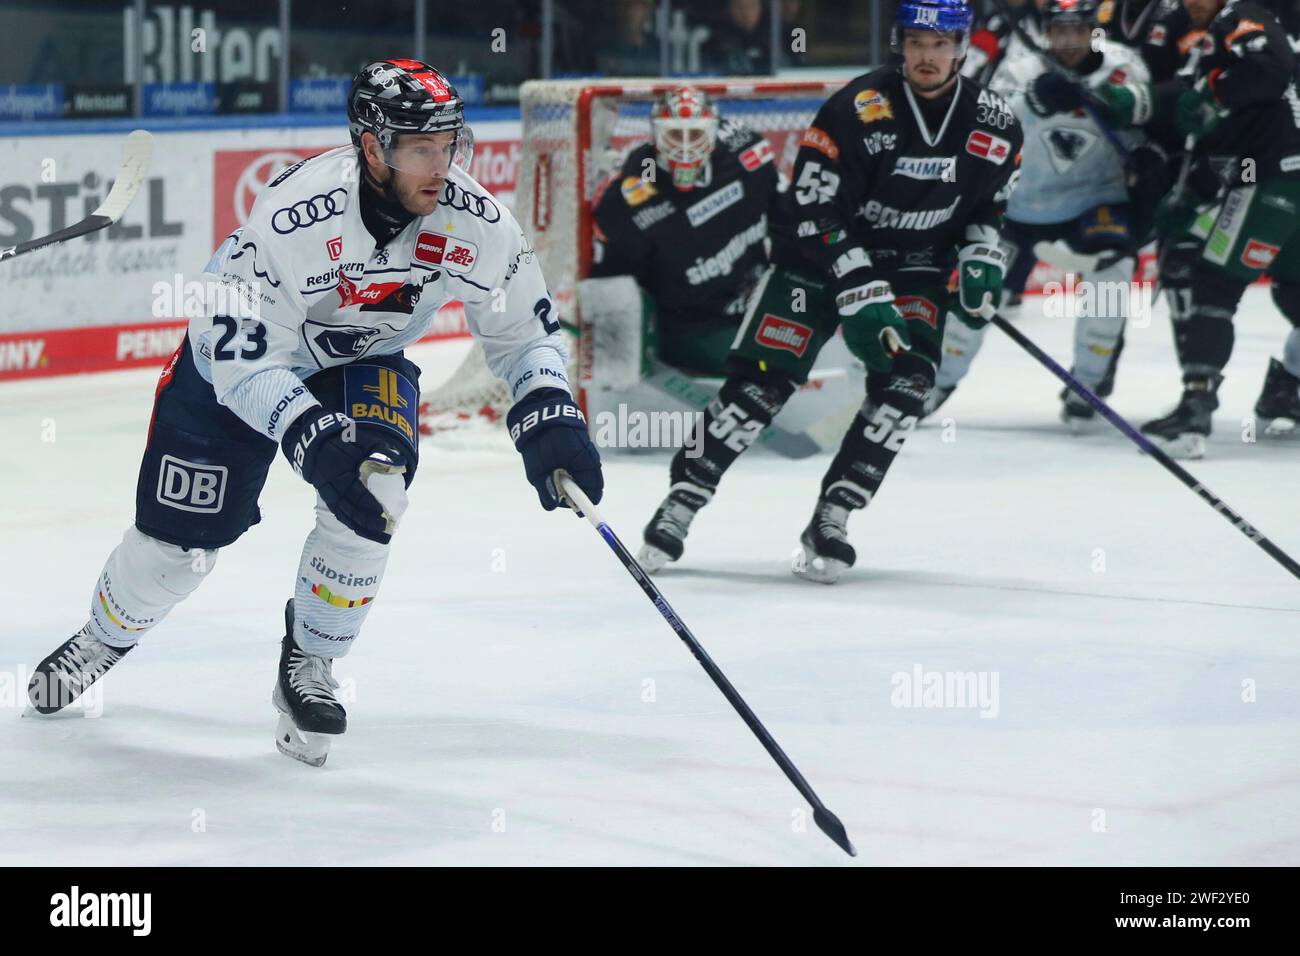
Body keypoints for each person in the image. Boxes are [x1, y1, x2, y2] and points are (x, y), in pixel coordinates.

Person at [25, 60, 604, 766]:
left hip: (362, 360)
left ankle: (311, 662)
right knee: (177, 547)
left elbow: (523, 334)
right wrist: (308, 433)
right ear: (371, 146)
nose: (442, 165)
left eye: (451, 144)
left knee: (375, 487)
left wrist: (548, 411)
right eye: (423, 147)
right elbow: (243, 357)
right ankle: (104, 637)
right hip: (236, 361)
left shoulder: (475, 221)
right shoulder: (298, 214)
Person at [638, 0, 1024, 584]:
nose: (927, 55)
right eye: (917, 41)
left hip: (914, 270)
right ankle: (682, 501)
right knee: (760, 387)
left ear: (962, 47)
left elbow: (989, 206)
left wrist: (980, 253)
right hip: (816, 263)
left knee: (908, 387)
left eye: (940, 44)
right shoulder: (856, 109)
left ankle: (833, 515)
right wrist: (857, 282)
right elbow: (812, 207)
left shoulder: (995, 124)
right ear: (901, 43)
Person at [931, 0, 1150, 426]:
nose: (1068, 40)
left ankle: (1088, 381)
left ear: (1093, 30)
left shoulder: (1124, 66)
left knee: (1113, 270)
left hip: (1094, 201)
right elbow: (984, 126)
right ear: (1047, 31)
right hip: (1020, 205)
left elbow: (1147, 118)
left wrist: (1120, 109)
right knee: (975, 292)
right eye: (1059, 30)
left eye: (1078, 30)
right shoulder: (1020, 70)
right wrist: (1032, 101)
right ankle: (936, 382)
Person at [1096, 0, 1300, 456]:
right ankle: (1287, 388)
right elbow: (1201, 107)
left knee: (1212, 280)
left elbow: (1275, 68)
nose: (1195, 2)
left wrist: (1211, 94)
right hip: (1271, 173)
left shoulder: (1240, 17)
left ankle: (1197, 406)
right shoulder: (1210, 43)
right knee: (1293, 289)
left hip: (1275, 177)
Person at [589, 86, 779, 375]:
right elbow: (615, 274)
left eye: (696, 134)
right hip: (692, 330)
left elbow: (786, 218)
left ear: (714, 133)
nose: (687, 146)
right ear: (657, 137)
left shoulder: (745, 153)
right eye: (676, 135)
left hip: (755, 309)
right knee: (762, 369)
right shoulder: (638, 186)